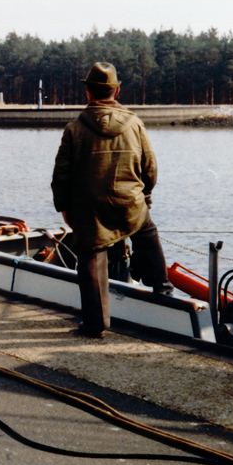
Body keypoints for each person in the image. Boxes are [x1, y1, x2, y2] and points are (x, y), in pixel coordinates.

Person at [51, 62, 174, 338]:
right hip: (130, 204)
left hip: (90, 209)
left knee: (91, 255)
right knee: (147, 230)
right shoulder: (135, 124)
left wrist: (64, 207)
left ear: (88, 93)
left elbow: (61, 175)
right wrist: (145, 197)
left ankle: (96, 324)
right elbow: (150, 168)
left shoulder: (74, 128)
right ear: (116, 91)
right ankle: (162, 287)